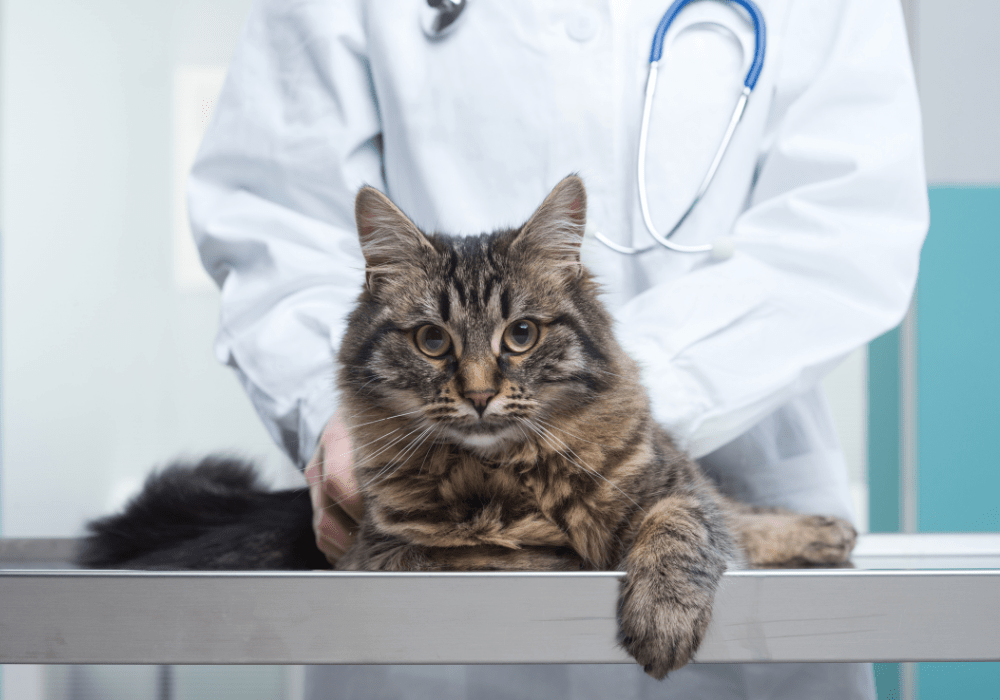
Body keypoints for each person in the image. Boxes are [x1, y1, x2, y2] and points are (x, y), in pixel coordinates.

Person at [188, 0, 928, 698]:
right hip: (425, 505)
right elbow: (274, 219)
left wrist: (611, 416)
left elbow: (847, 228)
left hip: (734, 474)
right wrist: (340, 416)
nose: (481, 383)